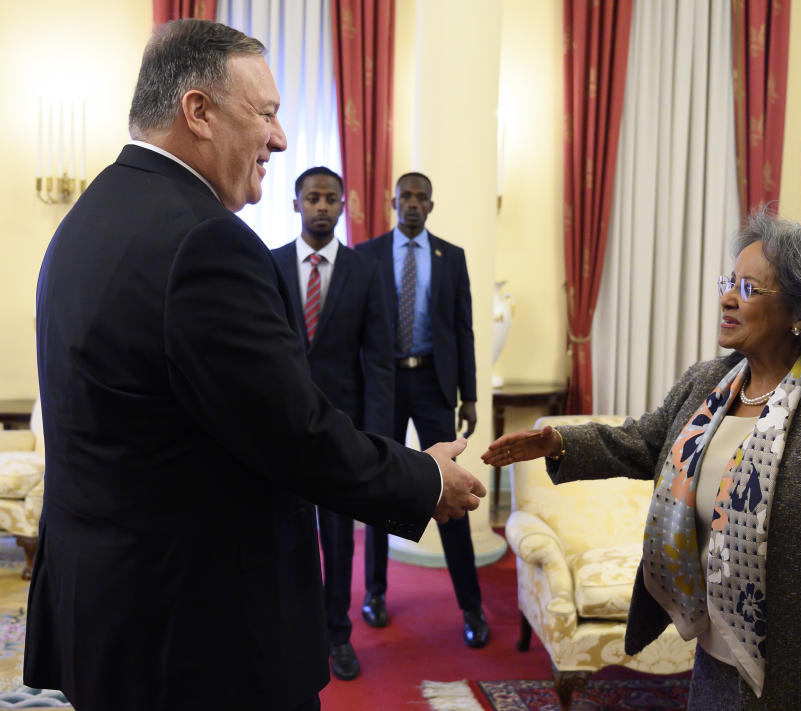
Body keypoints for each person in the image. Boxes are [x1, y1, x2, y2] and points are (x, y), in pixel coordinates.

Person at [26, 20, 486, 711]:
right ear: (199, 112)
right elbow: (293, 435)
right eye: (266, 113)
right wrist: (425, 480)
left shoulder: (87, 217)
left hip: (108, 614)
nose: (279, 139)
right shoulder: (207, 241)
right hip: (201, 640)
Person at [483, 213, 801, 710]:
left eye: (749, 288)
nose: (727, 297)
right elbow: (647, 441)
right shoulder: (710, 383)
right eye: (728, 282)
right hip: (714, 668)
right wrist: (557, 442)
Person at [355, 172, 489, 648]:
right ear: (393, 202)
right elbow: (356, 329)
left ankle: (471, 608)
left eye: (421, 198)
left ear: (431, 205)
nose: (412, 204)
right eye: (405, 196)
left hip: (433, 384)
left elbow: (465, 329)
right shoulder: (366, 255)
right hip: (384, 386)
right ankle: (374, 592)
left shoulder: (451, 257)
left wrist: (468, 394)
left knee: (450, 491)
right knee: (377, 492)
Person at [272, 166, 393, 681]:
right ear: (295, 202)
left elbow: (379, 360)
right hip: (281, 426)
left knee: (339, 538)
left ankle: (338, 635)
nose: (321, 206)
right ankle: (291, 636)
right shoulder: (269, 264)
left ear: (344, 206)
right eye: (312, 197)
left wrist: (377, 436)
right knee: (284, 534)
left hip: (342, 429)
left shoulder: (364, 271)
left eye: (331, 199)